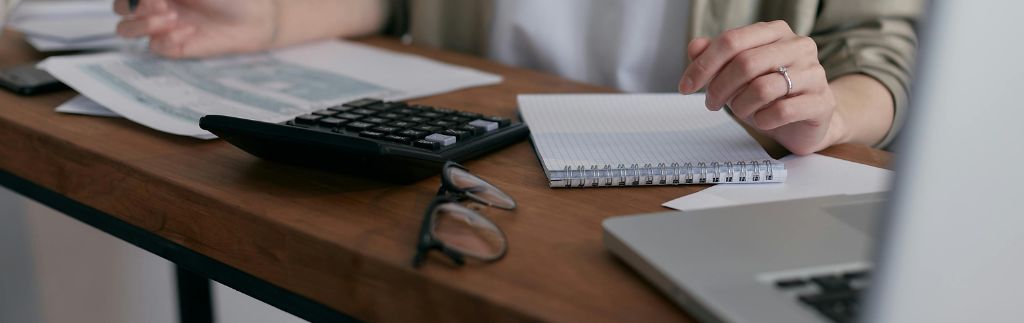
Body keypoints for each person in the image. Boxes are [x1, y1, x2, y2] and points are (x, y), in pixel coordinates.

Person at [113, 0, 921, 155]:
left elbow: (883, 55)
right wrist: (269, 18)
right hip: (480, 157)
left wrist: (831, 115)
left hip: (696, 178)